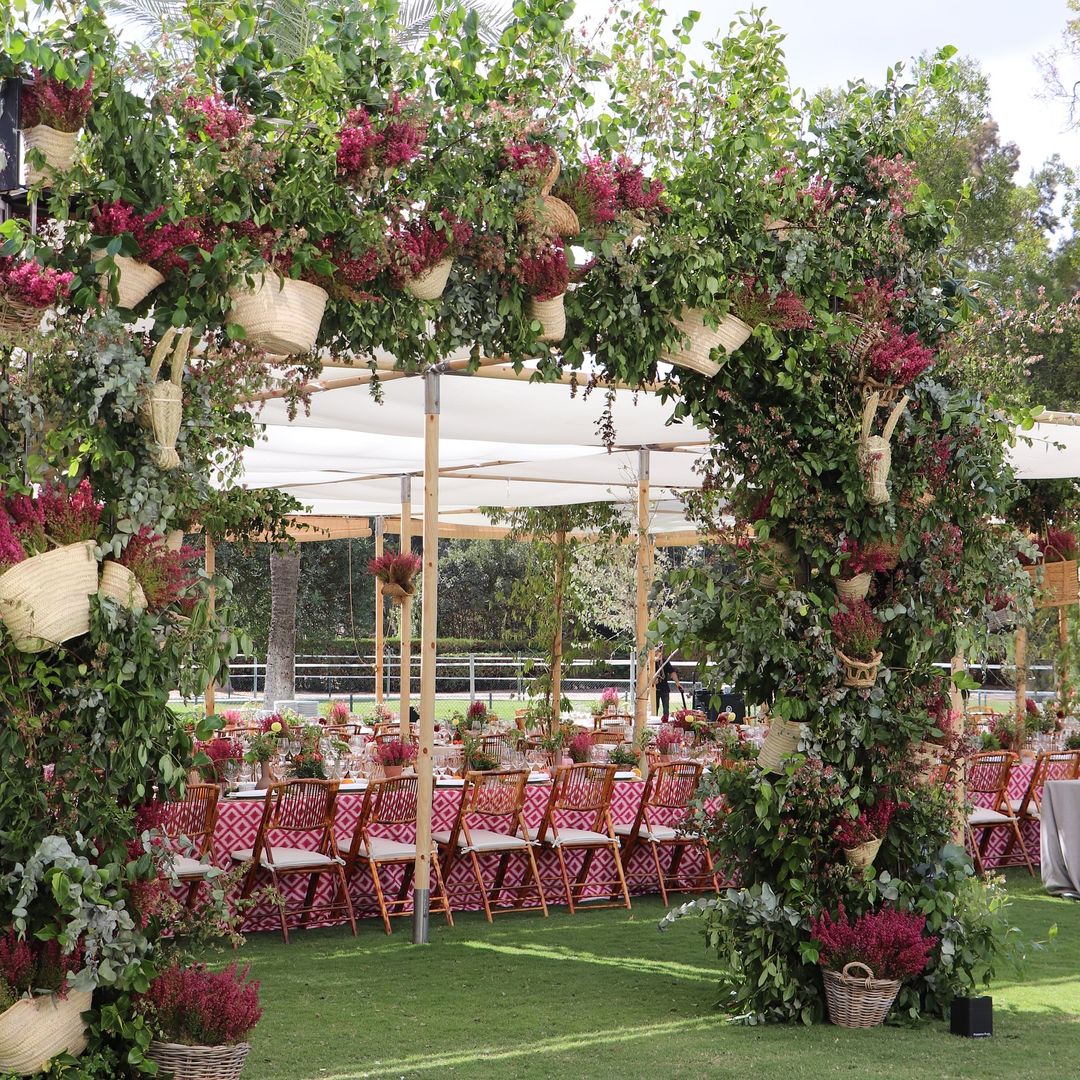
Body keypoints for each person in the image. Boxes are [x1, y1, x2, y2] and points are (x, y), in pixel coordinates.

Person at [654, 644, 683, 721]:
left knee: (666, 709)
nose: (658, 653)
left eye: (659, 651)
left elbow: (672, 672)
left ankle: (665, 723)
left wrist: (677, 683)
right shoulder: (650, 663)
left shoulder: (665, 662)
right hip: (654, 689)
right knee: (654, 708)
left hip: (664, 688)